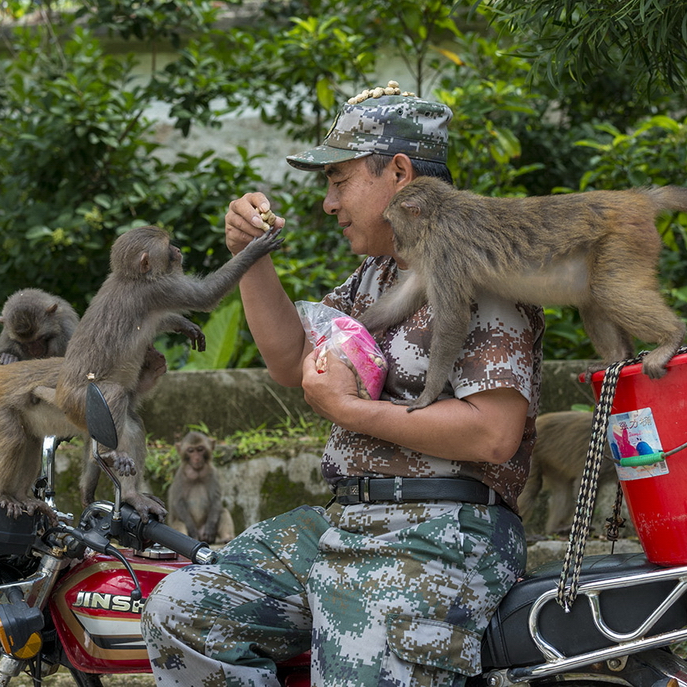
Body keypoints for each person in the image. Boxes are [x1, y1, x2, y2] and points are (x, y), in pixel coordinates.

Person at [141, 82, 544, 687]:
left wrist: (354, 413)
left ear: (399, 174)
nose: (329, 203)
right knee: (180, 609)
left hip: (443, 534)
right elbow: (290, 360)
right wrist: (254, 257)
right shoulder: (375, 277)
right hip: (351, 523)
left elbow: (493, 434)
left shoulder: (484, 271)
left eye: (340, 181)